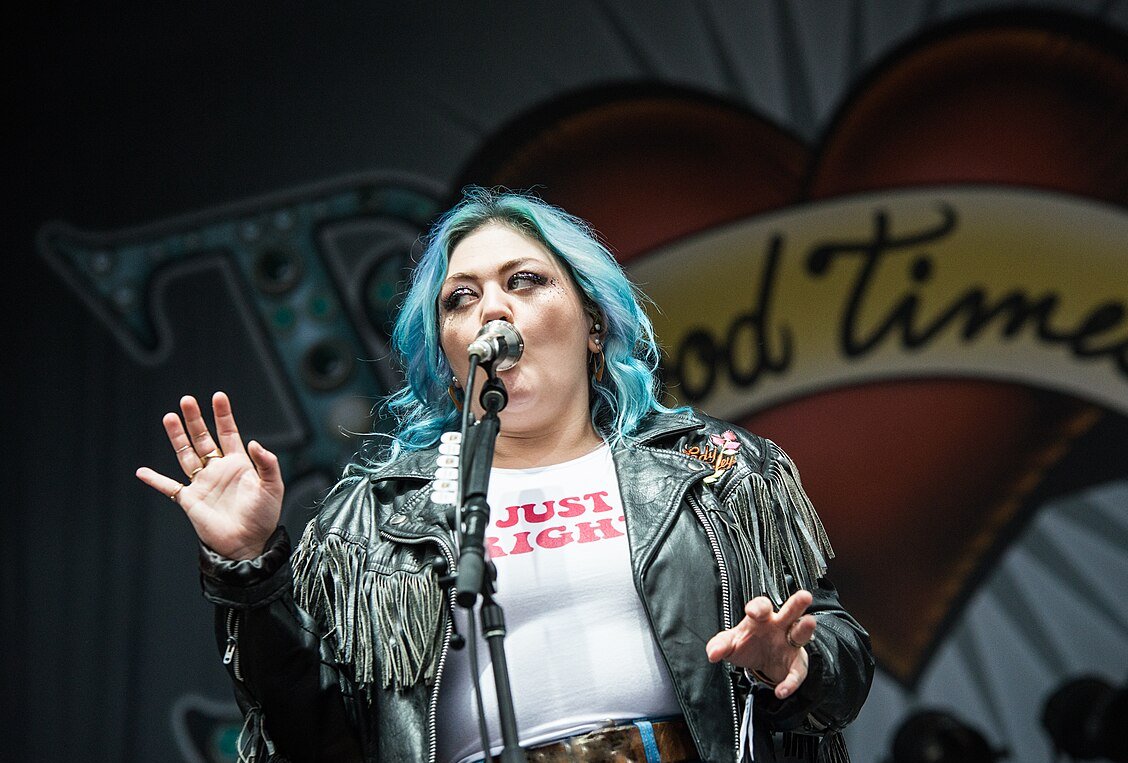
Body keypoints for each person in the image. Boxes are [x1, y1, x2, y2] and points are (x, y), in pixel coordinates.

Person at [137, 188, 873, 762]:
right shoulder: (374, 515)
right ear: (447, 350)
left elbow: (842, 656)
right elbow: (315, 736)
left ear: (592, 323)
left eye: (524, 280)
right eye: (461, 296)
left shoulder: (710, 473)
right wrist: (250, 567)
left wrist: (793, 660)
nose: (492, 306)